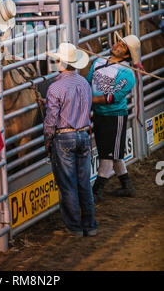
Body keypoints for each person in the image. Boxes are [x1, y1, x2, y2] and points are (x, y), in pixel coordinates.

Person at [44, 42, 97, 237]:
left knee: (67, 183)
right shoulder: (84, 83)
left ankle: (74, 227)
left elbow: (51, 120)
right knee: (84, 182)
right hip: (83, 133)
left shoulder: (55, 88)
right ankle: (89, 225)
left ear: (60, 62)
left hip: (64, 137)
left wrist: (47, 140)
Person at [86, 33, 142, 202]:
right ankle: (126, 185)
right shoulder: (98, 61)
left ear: (126, 55)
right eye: (119, 42)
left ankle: (97, 190)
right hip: (100, 113)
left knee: (107, 154)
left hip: (114, 116)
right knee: (113, 152)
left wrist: (87, 101)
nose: (118, 45)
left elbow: (111, 98)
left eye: (122, 46)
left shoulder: (127, 74)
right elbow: (88, 83)